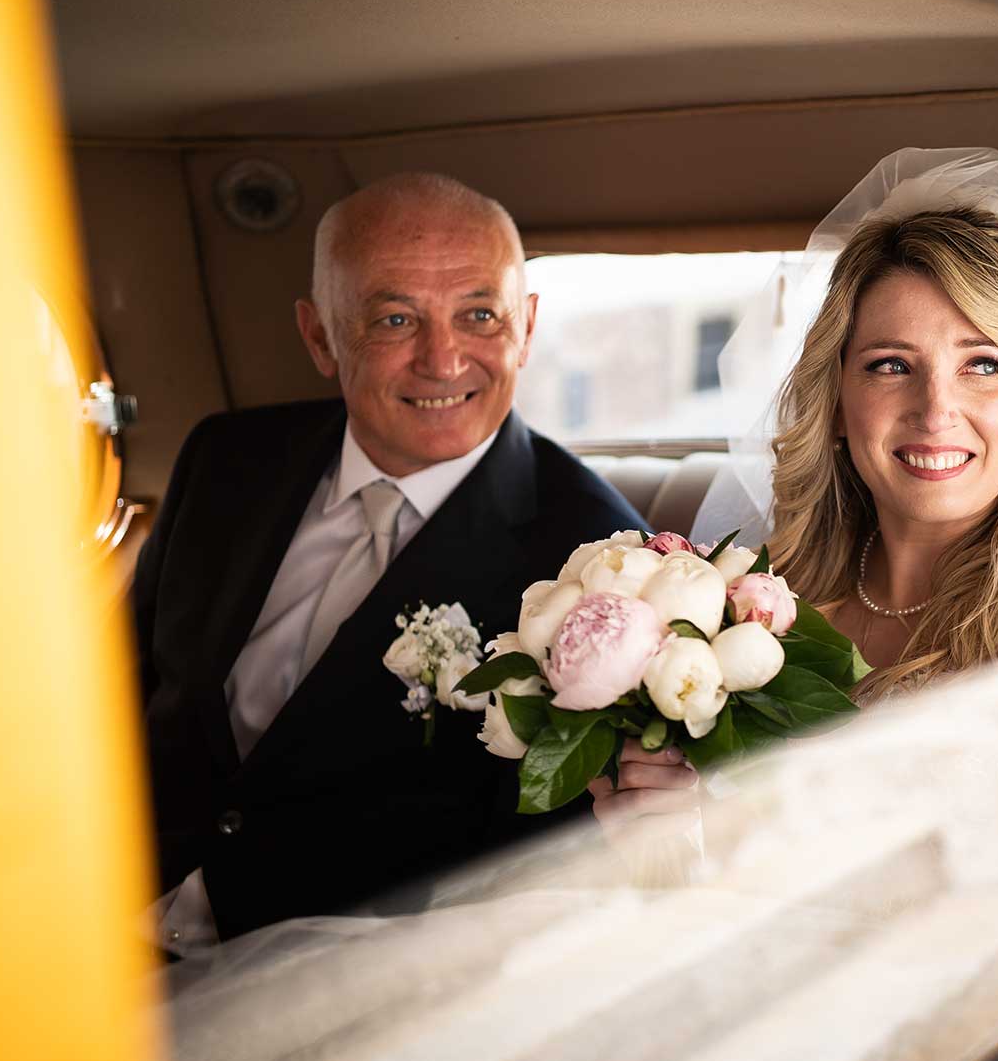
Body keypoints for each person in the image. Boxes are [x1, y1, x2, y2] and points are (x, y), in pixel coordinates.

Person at [134, 171, 649, 953]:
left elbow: (549, 865)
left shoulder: (600, 563)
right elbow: (118, 689)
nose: (443, 361)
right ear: (319, 338)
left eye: (479, 315)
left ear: (527, 327)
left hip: (336, 974)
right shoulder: (225, 459)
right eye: (395, 319)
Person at [691, 148, 998, 699]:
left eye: (982, 365)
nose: (935, 411)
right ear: (835, 404)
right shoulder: (753, 603)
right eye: (891, 365)